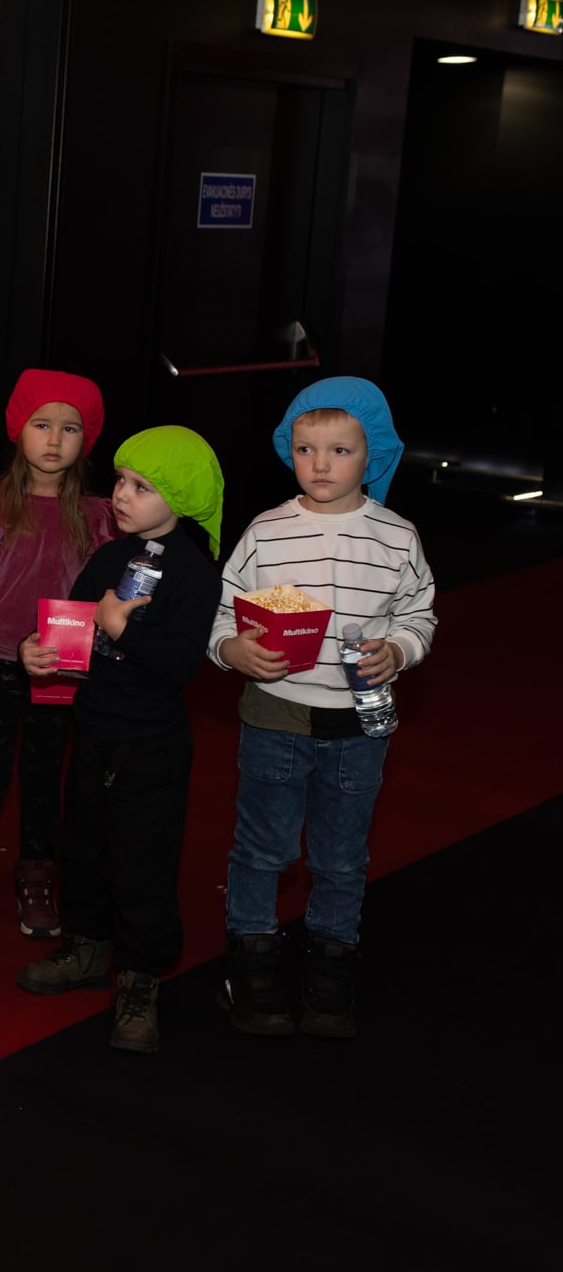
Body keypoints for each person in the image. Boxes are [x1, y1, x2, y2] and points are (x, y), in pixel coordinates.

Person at [211, 378, 435, 1040]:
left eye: (340, 450)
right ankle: (250, 963)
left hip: (360, 722)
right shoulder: (267, 529)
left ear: (374, 455)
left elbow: (419, 613)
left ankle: (331, 968)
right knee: (264, 847)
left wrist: (400, 649)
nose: (320, 464)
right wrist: (231, 648)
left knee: (341, 856)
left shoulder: (397, 536)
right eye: (306, 449)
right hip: (274, 713)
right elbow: (223, 611)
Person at [17, 426, 225, 1054]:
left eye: (142, 487)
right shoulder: (110, 558)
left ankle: (140, 976)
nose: (122, 496)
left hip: (151, 746)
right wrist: (37, 650)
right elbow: (70, 630)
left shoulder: (193, 573)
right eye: (120, 481)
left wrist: (122, 630)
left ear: (180, 498)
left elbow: (182, 664)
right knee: (82, 846)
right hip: (94, 730)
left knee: (142, 862)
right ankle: (85, 947)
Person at [0, 370, 116, 937]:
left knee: (46, 777)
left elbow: (107, 597)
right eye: (42, 424)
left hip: (63, 666)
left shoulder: (99, 516)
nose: (54, 439)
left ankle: (38, 875)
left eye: (70, 428)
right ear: (19, 429)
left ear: (86, 439)